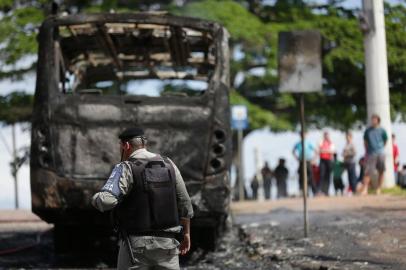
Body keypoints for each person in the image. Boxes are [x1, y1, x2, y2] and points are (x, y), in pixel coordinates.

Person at [92, 127, 193, 270]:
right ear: (144, 144)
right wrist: (186, 234)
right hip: (168, 245)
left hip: (135, 248)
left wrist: (96, 199)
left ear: (126, 146)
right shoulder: (169, 164)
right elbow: (185, 203)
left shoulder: (126, 167)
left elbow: (107, 200)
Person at [358, 114, 388, 195]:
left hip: (380, 153)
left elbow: (385, 141)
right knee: (368, 171)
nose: (373, 121)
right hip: (371, 153)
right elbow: (365, 142)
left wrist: (380, 148)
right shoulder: (368, 131)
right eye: (372, 119)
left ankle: (379, 188)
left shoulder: (382, 131)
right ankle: (365, 189)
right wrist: (367, 151)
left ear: (378, 120)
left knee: (381, 171)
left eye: (374, 119)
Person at [318, 131, 336, 196]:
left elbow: (333, 151)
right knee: (322, 175)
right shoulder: (321, 142)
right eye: (325, 135)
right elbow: (319, 150)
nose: (326, 137)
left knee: (328, 176)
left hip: (329, 160)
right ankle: (320, 190)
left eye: (327, 135)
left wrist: (325, 151)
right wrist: (327, 151)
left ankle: (326, 191)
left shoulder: (331, 143)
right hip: (322, 160)